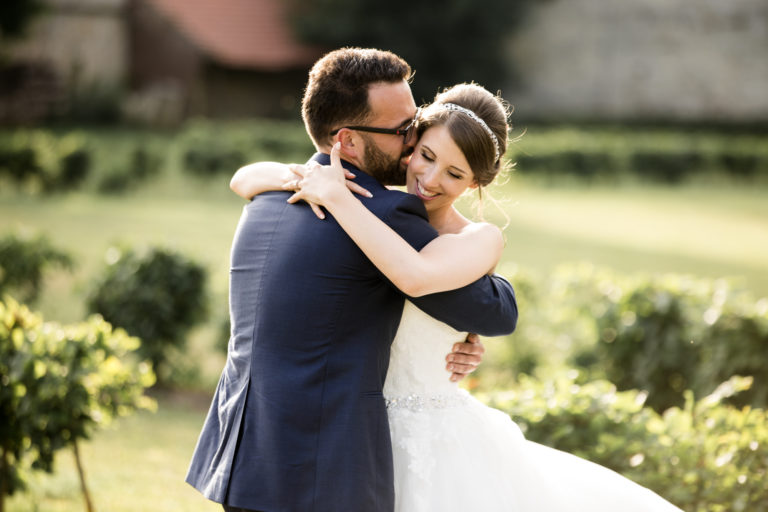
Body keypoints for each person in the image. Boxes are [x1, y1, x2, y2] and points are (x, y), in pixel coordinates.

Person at [234, 82, 684, 511]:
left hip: (430, 438)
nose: (428, 179)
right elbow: (244, 178)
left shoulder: (478, 239)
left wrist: (338, 199)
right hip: (352, 432)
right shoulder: (374, 204)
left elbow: (416, 278)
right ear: (410, 145)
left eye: (453, 173)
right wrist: (299, 176)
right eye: (425, 156)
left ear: (474, 183)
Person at [186, 48, 519, 512]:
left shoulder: (264, 200)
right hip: (324, 468)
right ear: (346, 139)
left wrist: (457, 336)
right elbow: (490, 307)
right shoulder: (387, 212)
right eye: (407, 135)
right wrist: (490, 306)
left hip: (243, 458)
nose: (410, 149)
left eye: (413, 127)